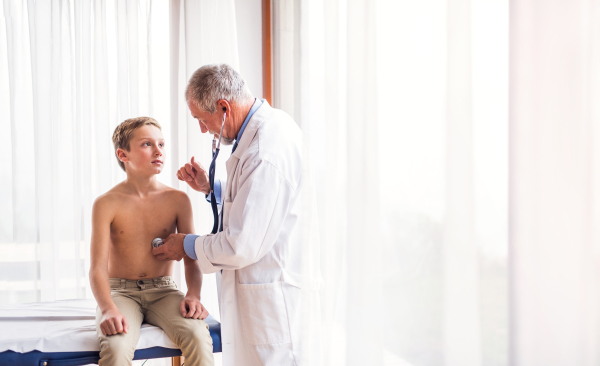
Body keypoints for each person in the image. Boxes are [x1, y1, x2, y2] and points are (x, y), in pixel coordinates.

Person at [153, 64, 322, 366]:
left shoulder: (265, 150)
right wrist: (211, 187)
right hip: (265, 295)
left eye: (202, 120)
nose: (203, 129)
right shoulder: (267, 130)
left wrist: (186, 245)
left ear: (223, 107)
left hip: (274, 305)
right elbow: (257, 203)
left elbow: (241, 243)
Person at [89, 117, 214, 366]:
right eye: (147, 144)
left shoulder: (178, 199)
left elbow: (191, 258)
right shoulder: (106, 203)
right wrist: (108, 308)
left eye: (161, 144)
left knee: (199, 339)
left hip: (164, 290)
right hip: (120, 292)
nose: (158, 151)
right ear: (123, 154)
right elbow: (97, 268)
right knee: (116, 347)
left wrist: (194, 294)